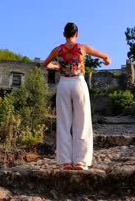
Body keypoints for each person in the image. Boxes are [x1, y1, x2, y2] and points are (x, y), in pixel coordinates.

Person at [43, 22, 111, 170]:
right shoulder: (82, 48)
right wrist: (107, 60)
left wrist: (57, 66)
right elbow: (105, 57)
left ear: (64, 34)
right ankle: (81, 161)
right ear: (77, 34)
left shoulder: (57, 50)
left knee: (64, 122)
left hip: (63, 84)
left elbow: (45, 64)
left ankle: (66, 161)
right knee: (82, 120)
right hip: (79, 83)